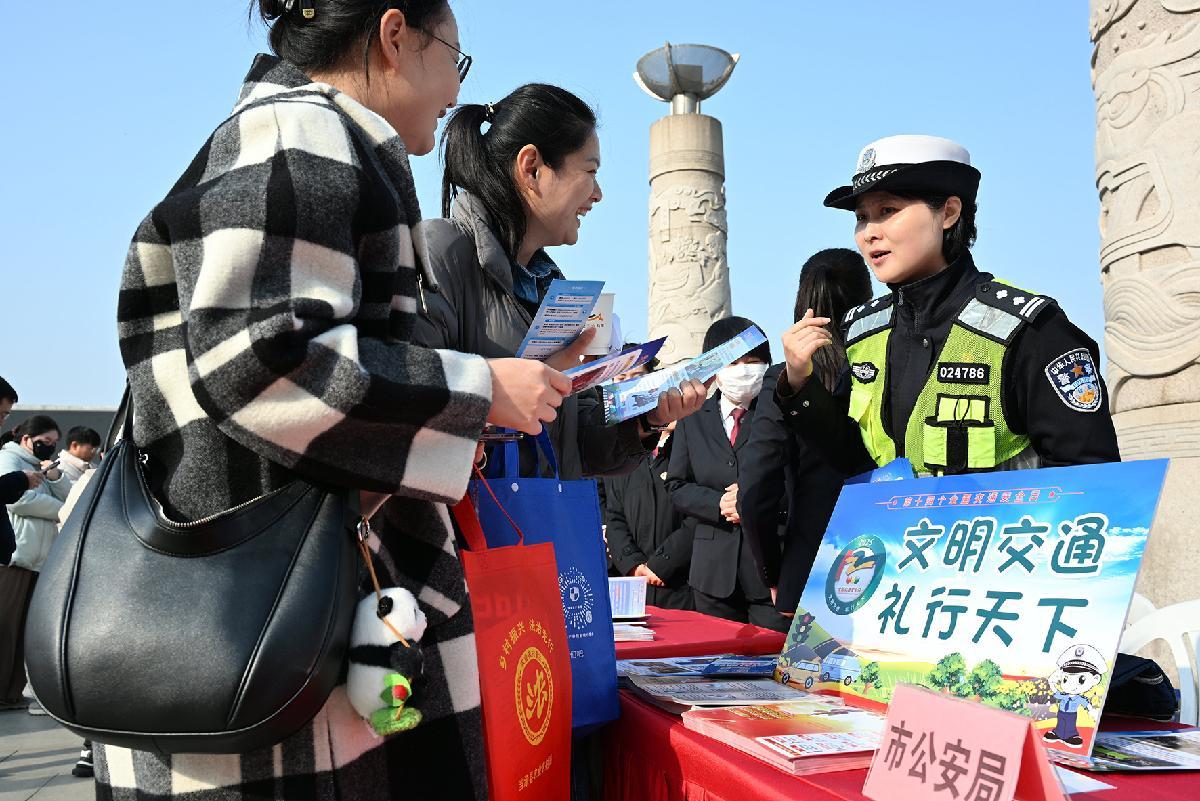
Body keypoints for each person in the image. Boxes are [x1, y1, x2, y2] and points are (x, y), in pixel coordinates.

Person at [99, 2, 572, 799]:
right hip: (282, 660)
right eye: (454, 58)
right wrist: (481, 388)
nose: (454, 92)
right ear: (395, 35)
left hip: (269, 633)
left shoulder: (290, 134)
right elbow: (261, 362)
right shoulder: (303, 134)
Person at [777, 135, 1120, 477]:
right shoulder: (864, 332)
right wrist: (798, 382)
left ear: (949, 213)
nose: (868, 233)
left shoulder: (1030, 329)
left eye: (887, 211)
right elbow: (853, 462)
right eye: (862, 217)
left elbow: (1090, 477)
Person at [413, 84, 706, 481]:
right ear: (532, 167)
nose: (598, 194)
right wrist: (500, 396)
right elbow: (405, 403)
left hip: (538, 517)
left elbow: (571, 445)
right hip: (465, 516)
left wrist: (645, 419)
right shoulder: (439, 252)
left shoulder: (554, 289)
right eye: (590, 171)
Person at [738, 249, 872, 617]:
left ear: (801, 301)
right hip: (889, 554)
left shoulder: (784, 379)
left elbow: (755, 489)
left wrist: (773, 571)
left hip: (810, 568)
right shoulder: (883, 365)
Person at [665, 318, 788, 631]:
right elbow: (677, 486)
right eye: (733, 362)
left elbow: (797, 480)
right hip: (711, 573)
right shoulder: (693, 418)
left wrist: (751, 499)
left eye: (753, 361)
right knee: (716, 656)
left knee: (774, 655)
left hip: (771, 570)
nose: (743, 370)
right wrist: (718, 503)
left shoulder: (781, 412)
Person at [603, 353, 695, 610]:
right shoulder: (620, 449)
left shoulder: (689, 442)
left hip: (682, 584)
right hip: (631, 584)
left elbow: (699, 511)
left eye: (637, 377)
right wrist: (632, 563)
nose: (629, 385)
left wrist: (661, 564)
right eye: (621, 378)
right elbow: (614, 514)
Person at [0, 416, 69, 711]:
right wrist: (61, 510)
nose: (50, 447)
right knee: (5, 628)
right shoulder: (9, 458)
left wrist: (55, 477)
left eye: (54, 443)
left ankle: (12, 693)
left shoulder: (41, 466)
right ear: (27, 438)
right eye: (45, 441)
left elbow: (71, 497)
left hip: (38, 561)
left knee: (22, 633)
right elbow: (17, 500)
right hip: (15, 558)